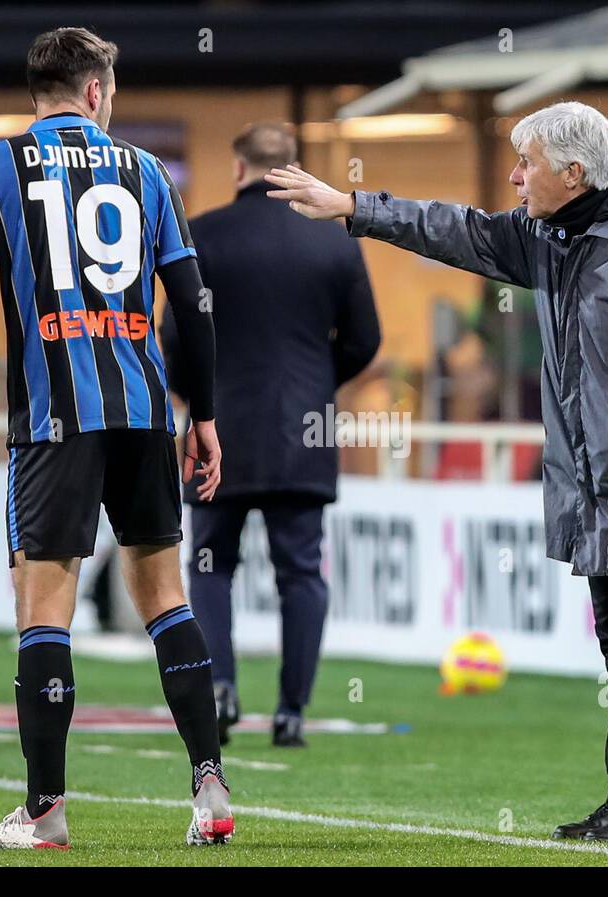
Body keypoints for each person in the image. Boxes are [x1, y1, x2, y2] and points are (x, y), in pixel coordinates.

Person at [266, 100, 608, 844]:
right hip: (599, 481)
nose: (516, 178)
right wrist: (355, 207)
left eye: (528, 164)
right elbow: (455, 229)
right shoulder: (549, 236)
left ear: (575, 174)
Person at [0, 26, 233, 849]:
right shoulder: (147, 171)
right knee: (165, 597)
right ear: (97, 92)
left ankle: (46, 811)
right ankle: (209, 787)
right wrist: (200, 413)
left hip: (53, 420)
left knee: (44, 609)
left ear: (40, 91)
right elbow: (195, 306)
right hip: (141, 415)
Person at [161, 123, 380, 748]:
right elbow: (366, 339)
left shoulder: (200, 235)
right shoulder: (335, 241)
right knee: (302, 572)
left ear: (239, 169)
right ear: (292, 170)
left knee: (209, 565)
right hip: (303, 433)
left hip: (217, 428)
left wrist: (197, 398)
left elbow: (173, 338)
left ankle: (221, 689)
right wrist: (317, 385)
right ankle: (291, 713)